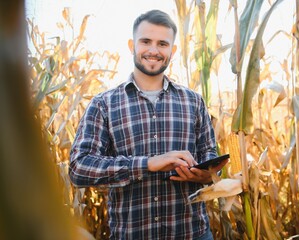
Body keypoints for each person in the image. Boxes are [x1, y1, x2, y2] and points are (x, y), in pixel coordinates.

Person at [69, 9, 228, 240]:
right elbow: (79, 168)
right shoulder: (104, 104)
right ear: (132, 45)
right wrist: (148, 164)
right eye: (146, 41)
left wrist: (205, 175)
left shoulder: (193, 101)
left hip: (192, 233)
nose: (153, 51)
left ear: (172, 51)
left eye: (162, 44)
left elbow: (210, 154)